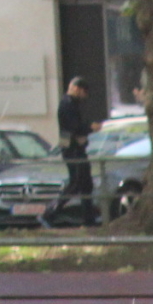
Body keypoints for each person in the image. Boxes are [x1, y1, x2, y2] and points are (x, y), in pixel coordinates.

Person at [55, 76, 95, 222]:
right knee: (76, 183)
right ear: (77, 89)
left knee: (86, 184)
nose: (84, 97)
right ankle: (51, 212)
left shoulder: (71, 104)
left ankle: (88, 218)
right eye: (84, 93)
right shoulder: (67, 104)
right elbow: (74, 127)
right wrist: (90, 127)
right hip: (73, 150)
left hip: (75, 148)